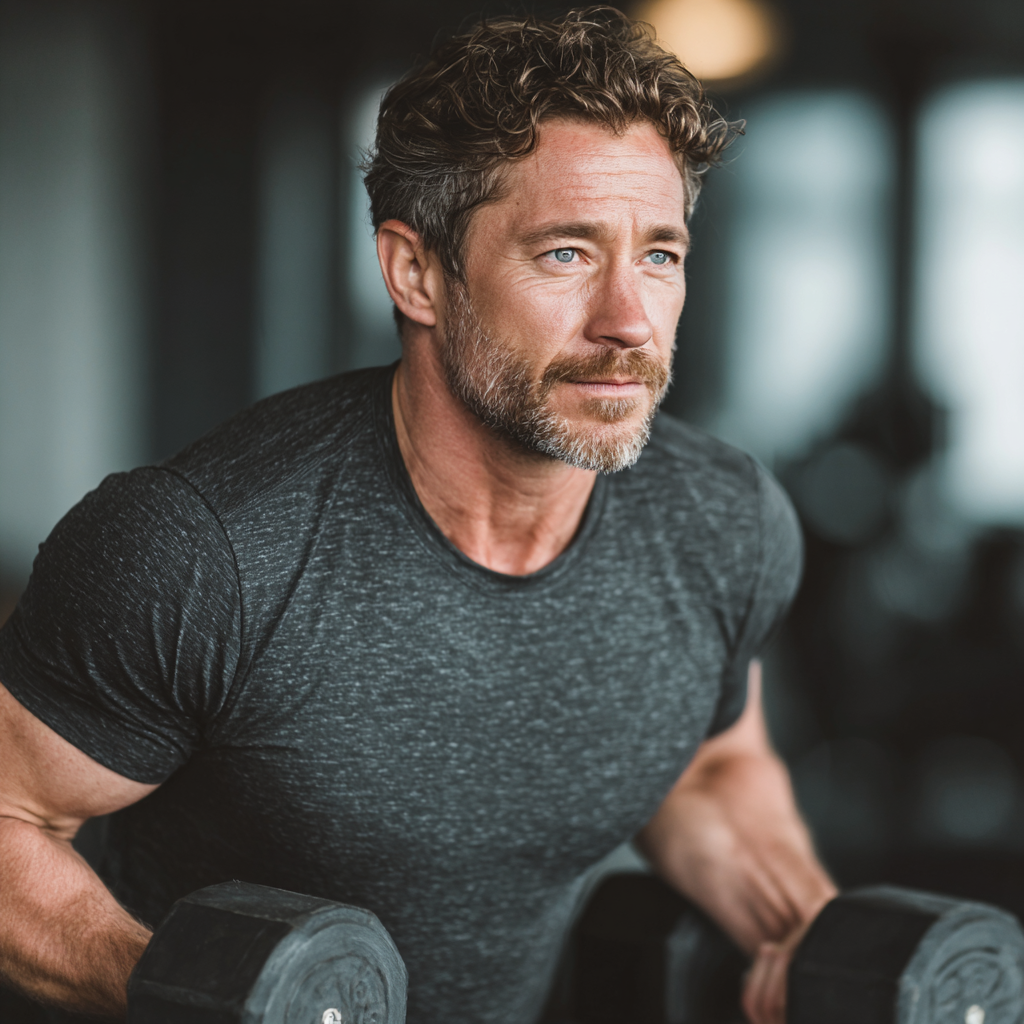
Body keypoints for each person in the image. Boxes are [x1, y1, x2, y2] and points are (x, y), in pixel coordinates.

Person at [0, 8, 836, 1024]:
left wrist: (806, 929)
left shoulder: (719, 521)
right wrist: (184, 987)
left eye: (658, 255)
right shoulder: (204, 549)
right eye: (566, 253)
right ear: (417, 273)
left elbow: (709, 761)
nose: (628, 321)